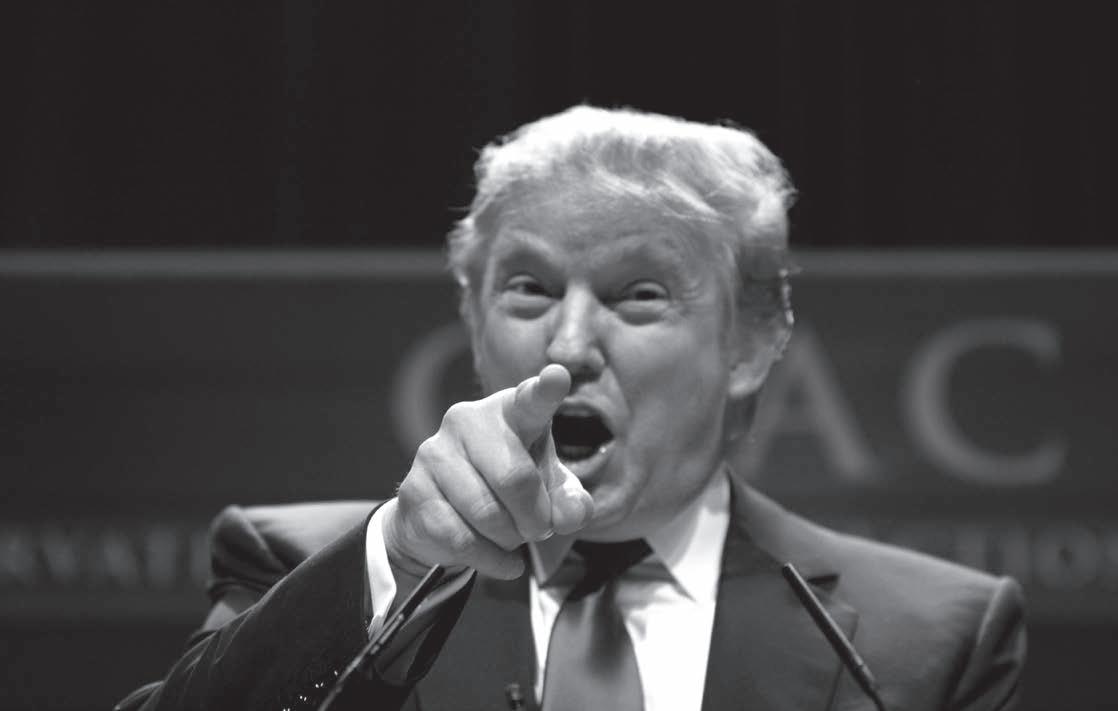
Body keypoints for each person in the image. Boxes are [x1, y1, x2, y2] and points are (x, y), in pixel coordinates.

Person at [117, 106, 1026, 711]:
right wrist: (400, 556)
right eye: (529, 288)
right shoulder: (304, 565)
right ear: (473, 322)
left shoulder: (931, 638)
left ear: (752, 342)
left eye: (638, 294)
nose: (568, 343)